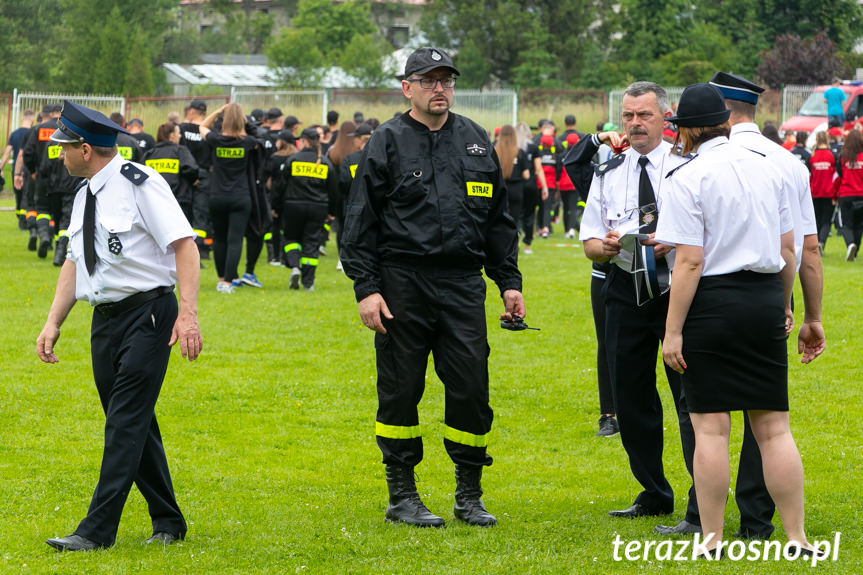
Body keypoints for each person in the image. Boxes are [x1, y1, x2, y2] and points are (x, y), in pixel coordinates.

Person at [341, 47, 525, 528]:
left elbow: (499, 222)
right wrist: (367, 288)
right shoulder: (386, 141)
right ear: (408, 88)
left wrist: (508, 282)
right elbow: (359, 223)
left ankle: (469, 494)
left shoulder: (476, 140)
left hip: (463, 285)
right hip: (403, 284)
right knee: (401, 389)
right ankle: (402, 494)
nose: (439, 88)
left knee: (470, 387)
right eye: (428, 80)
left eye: (446, 80)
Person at [652, 71, 825, 539]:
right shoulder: (771, 166)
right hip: (765, 298)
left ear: (686, 129)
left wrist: (672, 332)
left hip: (712, 304)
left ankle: (710, 538)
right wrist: (785, 307)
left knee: (711, 429)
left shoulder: (685, 175)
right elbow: (789, 251)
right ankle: (797, 537)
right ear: (725, 121)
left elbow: (688, 262)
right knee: (774, 429)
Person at [35, 100, 201, 551]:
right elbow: (74, 261)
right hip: (104, 320)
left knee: (124, 423)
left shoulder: (140, 184)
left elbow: (185, 247)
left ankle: (96, 531)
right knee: (133, 422)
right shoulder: (85, 192)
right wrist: (53, 322)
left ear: (85, 149)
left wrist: (188, 314)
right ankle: (169, 521)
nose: (59, 153)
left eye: (63, 146)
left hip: (149, 315)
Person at [578, 81, 689, 519]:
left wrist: (673, 240)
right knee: (630, 395)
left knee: (688, 397)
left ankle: (704, 493)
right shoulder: (609, 169)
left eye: (644, 115)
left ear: (665, 117)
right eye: (628, 116)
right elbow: (588, 236)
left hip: (675, 289)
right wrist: (601, 248)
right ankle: (654, 491)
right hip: (624, 289)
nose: (635, 124)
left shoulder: (686, 166)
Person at [562, 129, 627, 437]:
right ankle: (609, 414)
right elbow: (573, 161)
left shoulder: (663, 172)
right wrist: (601, 137)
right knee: (608, 343)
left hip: (658, 273)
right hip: (607, 271)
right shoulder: (603, 178)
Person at [199, 102, 259, 293]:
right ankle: (228, 282)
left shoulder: (216, 140)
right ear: (241, 120)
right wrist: (246, 122)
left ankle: (220, 279)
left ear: (224, 120)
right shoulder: (247, 142)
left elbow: (202, 126)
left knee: (219, 239)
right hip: (240, 197)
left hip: (217, 196)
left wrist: (217, 112)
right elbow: (260, 136)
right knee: (235, 240)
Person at [272, 127, 337, 290]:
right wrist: (331, 212)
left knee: (290, 238)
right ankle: (308, 283)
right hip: (318, 208)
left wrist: (275, 207)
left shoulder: (293, 159)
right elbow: (334, 191)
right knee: (312, 242)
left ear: (304, 141)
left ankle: (294, 266)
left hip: (293, 206)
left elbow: (280, 186)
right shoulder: (325, 162)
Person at [179, 99, 215, 260]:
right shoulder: (208, 131)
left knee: (183, 212)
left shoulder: (182, 129)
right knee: (201, 214)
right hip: (204, 174)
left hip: (185, 174)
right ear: (205, 113)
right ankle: (201, 250)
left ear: (191, 111)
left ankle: (182, 249)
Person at [144, 123, 199, 226]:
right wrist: (193, 180)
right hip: (179, 202)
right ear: (172, 135)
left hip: (154, 204)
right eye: (178, 133)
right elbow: (191, 169)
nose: (180, 136)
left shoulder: (149, 154)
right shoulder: (180, 150)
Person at [3, 108, 35, 230]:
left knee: (19, 196)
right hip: (28, 169)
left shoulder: (14, 134)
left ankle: (21, 217)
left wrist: (1, 168)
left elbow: (6, 153)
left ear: (22, 117)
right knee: (28, 195)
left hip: (15, 169)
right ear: (32, 119)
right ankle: (25, 220)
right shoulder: (33, 132)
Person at [835, 129, 863, 261]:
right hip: (861, 194)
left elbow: (839, 174)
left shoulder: (843, 156)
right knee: (858, 225)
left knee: (846, 224)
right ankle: (855, 251)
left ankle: (850, 244)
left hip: (846, 194)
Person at [809, 131, 838, 254]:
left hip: (815, 193)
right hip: (828, 193)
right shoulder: (831, 156)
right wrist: (835, 194)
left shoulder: (813, 156)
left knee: (816, 220)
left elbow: (810, 176)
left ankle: (816, 245)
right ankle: (821, 242)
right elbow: (836, 177)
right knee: (826, 221)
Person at [495, 125, 529, 223]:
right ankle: (513, 236)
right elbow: (526, 175)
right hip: (516, 188)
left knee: (499, 217)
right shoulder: (519, 152)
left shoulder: (495, 151)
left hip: (500, 188)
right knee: (515, 218)